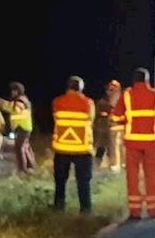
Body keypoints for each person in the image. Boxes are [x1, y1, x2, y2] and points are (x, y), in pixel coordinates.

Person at [111, 68, 155, 219]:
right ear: (147, 80)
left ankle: (135, 211)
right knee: (152, 175)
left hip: (132, 142)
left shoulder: (127, 96)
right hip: (151, 141)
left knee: (132, 176)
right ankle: (153, 210)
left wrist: (127, 122)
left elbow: (116, 117)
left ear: (133, 80)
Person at [51, 76, 96, 213]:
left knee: (60, 181)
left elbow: (55, 118)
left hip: (62, 148)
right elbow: (91, 119)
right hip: (82, 149)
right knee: (83, 182)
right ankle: (85, 209)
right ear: (81, 88)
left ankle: (59, 206)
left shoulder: (57, 102)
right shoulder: (88, 103)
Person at [0, 82, 37, 174]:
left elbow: (15, 109)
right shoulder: (21, 100)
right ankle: (30, 167)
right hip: (22, 128)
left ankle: (22, 170)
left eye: (13, 91)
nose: (12, 93)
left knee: (19, 148)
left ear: (17, 91)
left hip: (22, 128)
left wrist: (3, 104)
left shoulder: (21, 100)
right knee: (24, 148)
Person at [94, 80, 122, 171]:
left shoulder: (122, 103)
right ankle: (96, 165)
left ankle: (115, 165)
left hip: (116, 130)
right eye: (110, 89)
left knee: (114, 148)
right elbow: (97, 114)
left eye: (113, 89)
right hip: (103, 129)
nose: (111, 91)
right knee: (101, 148)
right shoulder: (102, 102)